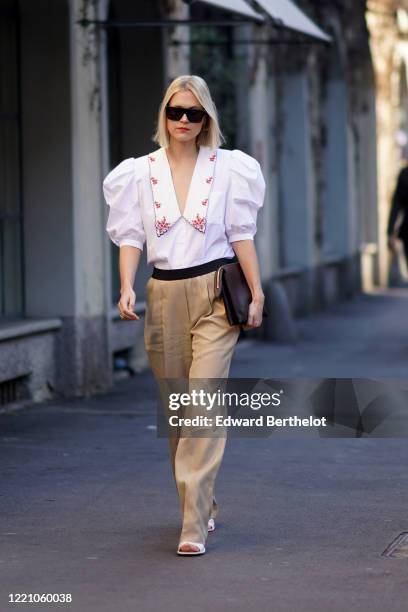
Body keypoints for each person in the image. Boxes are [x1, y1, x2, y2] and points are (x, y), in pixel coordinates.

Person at [102, 75, 266, 556]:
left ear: (207, 119)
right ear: (164, 114)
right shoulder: (137, 173)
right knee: (178, 410)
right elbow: (130, 235)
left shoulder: (230, 169)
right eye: (177, 111)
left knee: (204, 404)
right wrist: (126, 286)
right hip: (164, 294)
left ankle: (192, 525)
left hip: (215, 293)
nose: (184, 121)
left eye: (195, 114)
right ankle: (200, 501)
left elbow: (241, 234)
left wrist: (257, 292)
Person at [387, 160, 408, 264]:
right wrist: (390, 232)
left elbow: (396, 205)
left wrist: (390, 232)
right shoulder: (405, 174)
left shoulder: (404, 173)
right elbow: (396, 204)